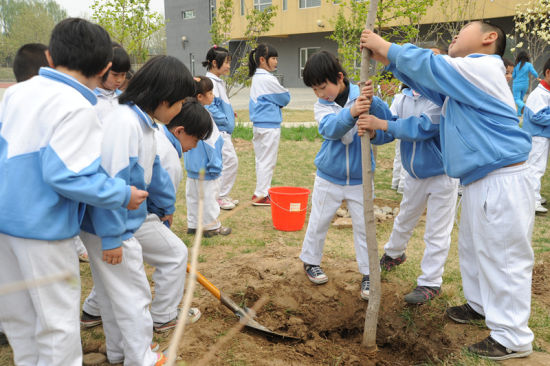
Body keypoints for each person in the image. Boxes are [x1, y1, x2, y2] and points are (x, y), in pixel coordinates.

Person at [361, 20, 535, 360]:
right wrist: (390, 61)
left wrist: (383, 45)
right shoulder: (468, 78)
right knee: (475, 248)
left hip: (500, 178)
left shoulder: (484, 67)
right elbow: (432, 85)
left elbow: (431, 67)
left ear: (490, 38)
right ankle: (480, 305)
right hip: (479, 178)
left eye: (464, 29)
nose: (455, 36)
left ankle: (512, 336)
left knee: (503, 256)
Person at [0, 18, 148, 366]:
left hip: (4, 225)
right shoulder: (78, 106)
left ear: (50, 57)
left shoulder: (17, 92)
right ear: (105, 67)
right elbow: (67, 176)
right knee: (57, 325)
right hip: (43, 230)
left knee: (20, 317)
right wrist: (121, 194)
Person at [80, 55, 195, 365]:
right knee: (133, 294)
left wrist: (163, 206)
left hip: (115, 222)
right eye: (179, 102)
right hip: (110, 224)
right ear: (162, 97)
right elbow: (110, 180)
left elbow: (151, 169)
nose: (181, 108)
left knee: (113, 293)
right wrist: (113, 236)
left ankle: (119, 353)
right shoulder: (124, 123)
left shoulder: (142, 123)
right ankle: (141, 357)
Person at [356, 48, 459, 305]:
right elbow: (391, 127)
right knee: (404, 217)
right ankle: (394, 253)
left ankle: (430, 282)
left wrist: (384, 125)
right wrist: (376, 132)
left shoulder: (442, 99)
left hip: (442, 175)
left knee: (437, 231)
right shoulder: (403, 98)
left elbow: (422, 127)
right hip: (413, 174)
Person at [298, 51, 374, 300]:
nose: (321, 94)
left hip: (360, 177)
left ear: (339, 77)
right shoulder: (322, 106)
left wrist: (371, 108)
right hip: (329, 175)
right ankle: (310, 261)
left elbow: (383, 126)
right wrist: (352, 112)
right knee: (319, 220)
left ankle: (369, 273)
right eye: (315, 90)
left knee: (364, 227)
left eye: (323, 87)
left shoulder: (363, 95)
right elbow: (331, 129)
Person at [184, 77, 232, 237]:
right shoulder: (205, 116)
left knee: (193, 198)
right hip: (207, 169)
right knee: (209, 199)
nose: (212, 95)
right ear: (200, 97)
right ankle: (212, 227)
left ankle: (193, 224)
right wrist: (216, 164)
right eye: (210, 92)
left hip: (192, 168)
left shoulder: (186, 113)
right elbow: (213, 142)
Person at [248, 44, 291, 205]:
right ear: (262, 60)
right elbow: (286, 98)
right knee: (268, 161)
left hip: (259, 125)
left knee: (261, 160)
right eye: (273, 58)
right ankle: (261, 195)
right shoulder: (268, 79)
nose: (276, 62)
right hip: (269, 126)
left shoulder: (257, 78)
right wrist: (277, 103)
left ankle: (260, 192)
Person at [203, 46, 239, 210]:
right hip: (219, 131)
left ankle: (221, 195)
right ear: (215, 63)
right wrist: (225, 119)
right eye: (226, 63)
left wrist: (230, 113)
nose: (229, 66)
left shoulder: (217, 81)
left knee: (227, 162)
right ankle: (220, 196)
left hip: (223, 130)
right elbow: (210, 106)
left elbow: (219, 104)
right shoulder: (210, 82)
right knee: (231, 162)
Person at [522, 57, 550, 214]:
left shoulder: (546, 92)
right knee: (535, 168)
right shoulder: (539, 93)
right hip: (537, 137)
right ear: (548, 72)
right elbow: (536, 116)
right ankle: (531, 200)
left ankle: (534, 195)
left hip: (542, 136)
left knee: (538, 167)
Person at [513, 51, 539, 115]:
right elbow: (534, 73)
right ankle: (519, 113)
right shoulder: (529, 65)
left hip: (517, 84)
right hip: (525, 85)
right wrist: (537, 77)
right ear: (527, 57)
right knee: (521, 99)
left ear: (518, 57)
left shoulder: (516, 65)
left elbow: (513, 75)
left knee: (516, 99)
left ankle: (524, 106)